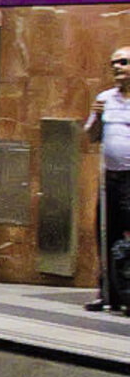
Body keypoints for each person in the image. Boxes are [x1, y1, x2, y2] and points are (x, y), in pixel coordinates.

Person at [83, 45, 130, 312]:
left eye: (123, 62)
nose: (117, 67)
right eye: (114, 63)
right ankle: (108, 292)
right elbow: (91, 136)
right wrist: (98, 116)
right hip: (110, 180)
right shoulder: (105, 99)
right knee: (106, 233)